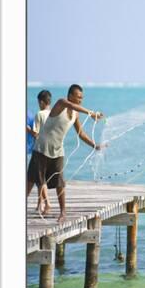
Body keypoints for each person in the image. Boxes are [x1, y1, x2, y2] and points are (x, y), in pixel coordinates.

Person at [27, 84, 104, 223]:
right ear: (70, 96)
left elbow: (80, 133)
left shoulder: (75, 114)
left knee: (60, 183)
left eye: (82, 98)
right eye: (78, 97)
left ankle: (63, 213)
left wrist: (95, 145)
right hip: (41, 149)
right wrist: (91, 113)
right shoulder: (61, 103)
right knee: (31, 180)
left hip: (58, 151)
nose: (80, 100)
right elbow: (71, 105)